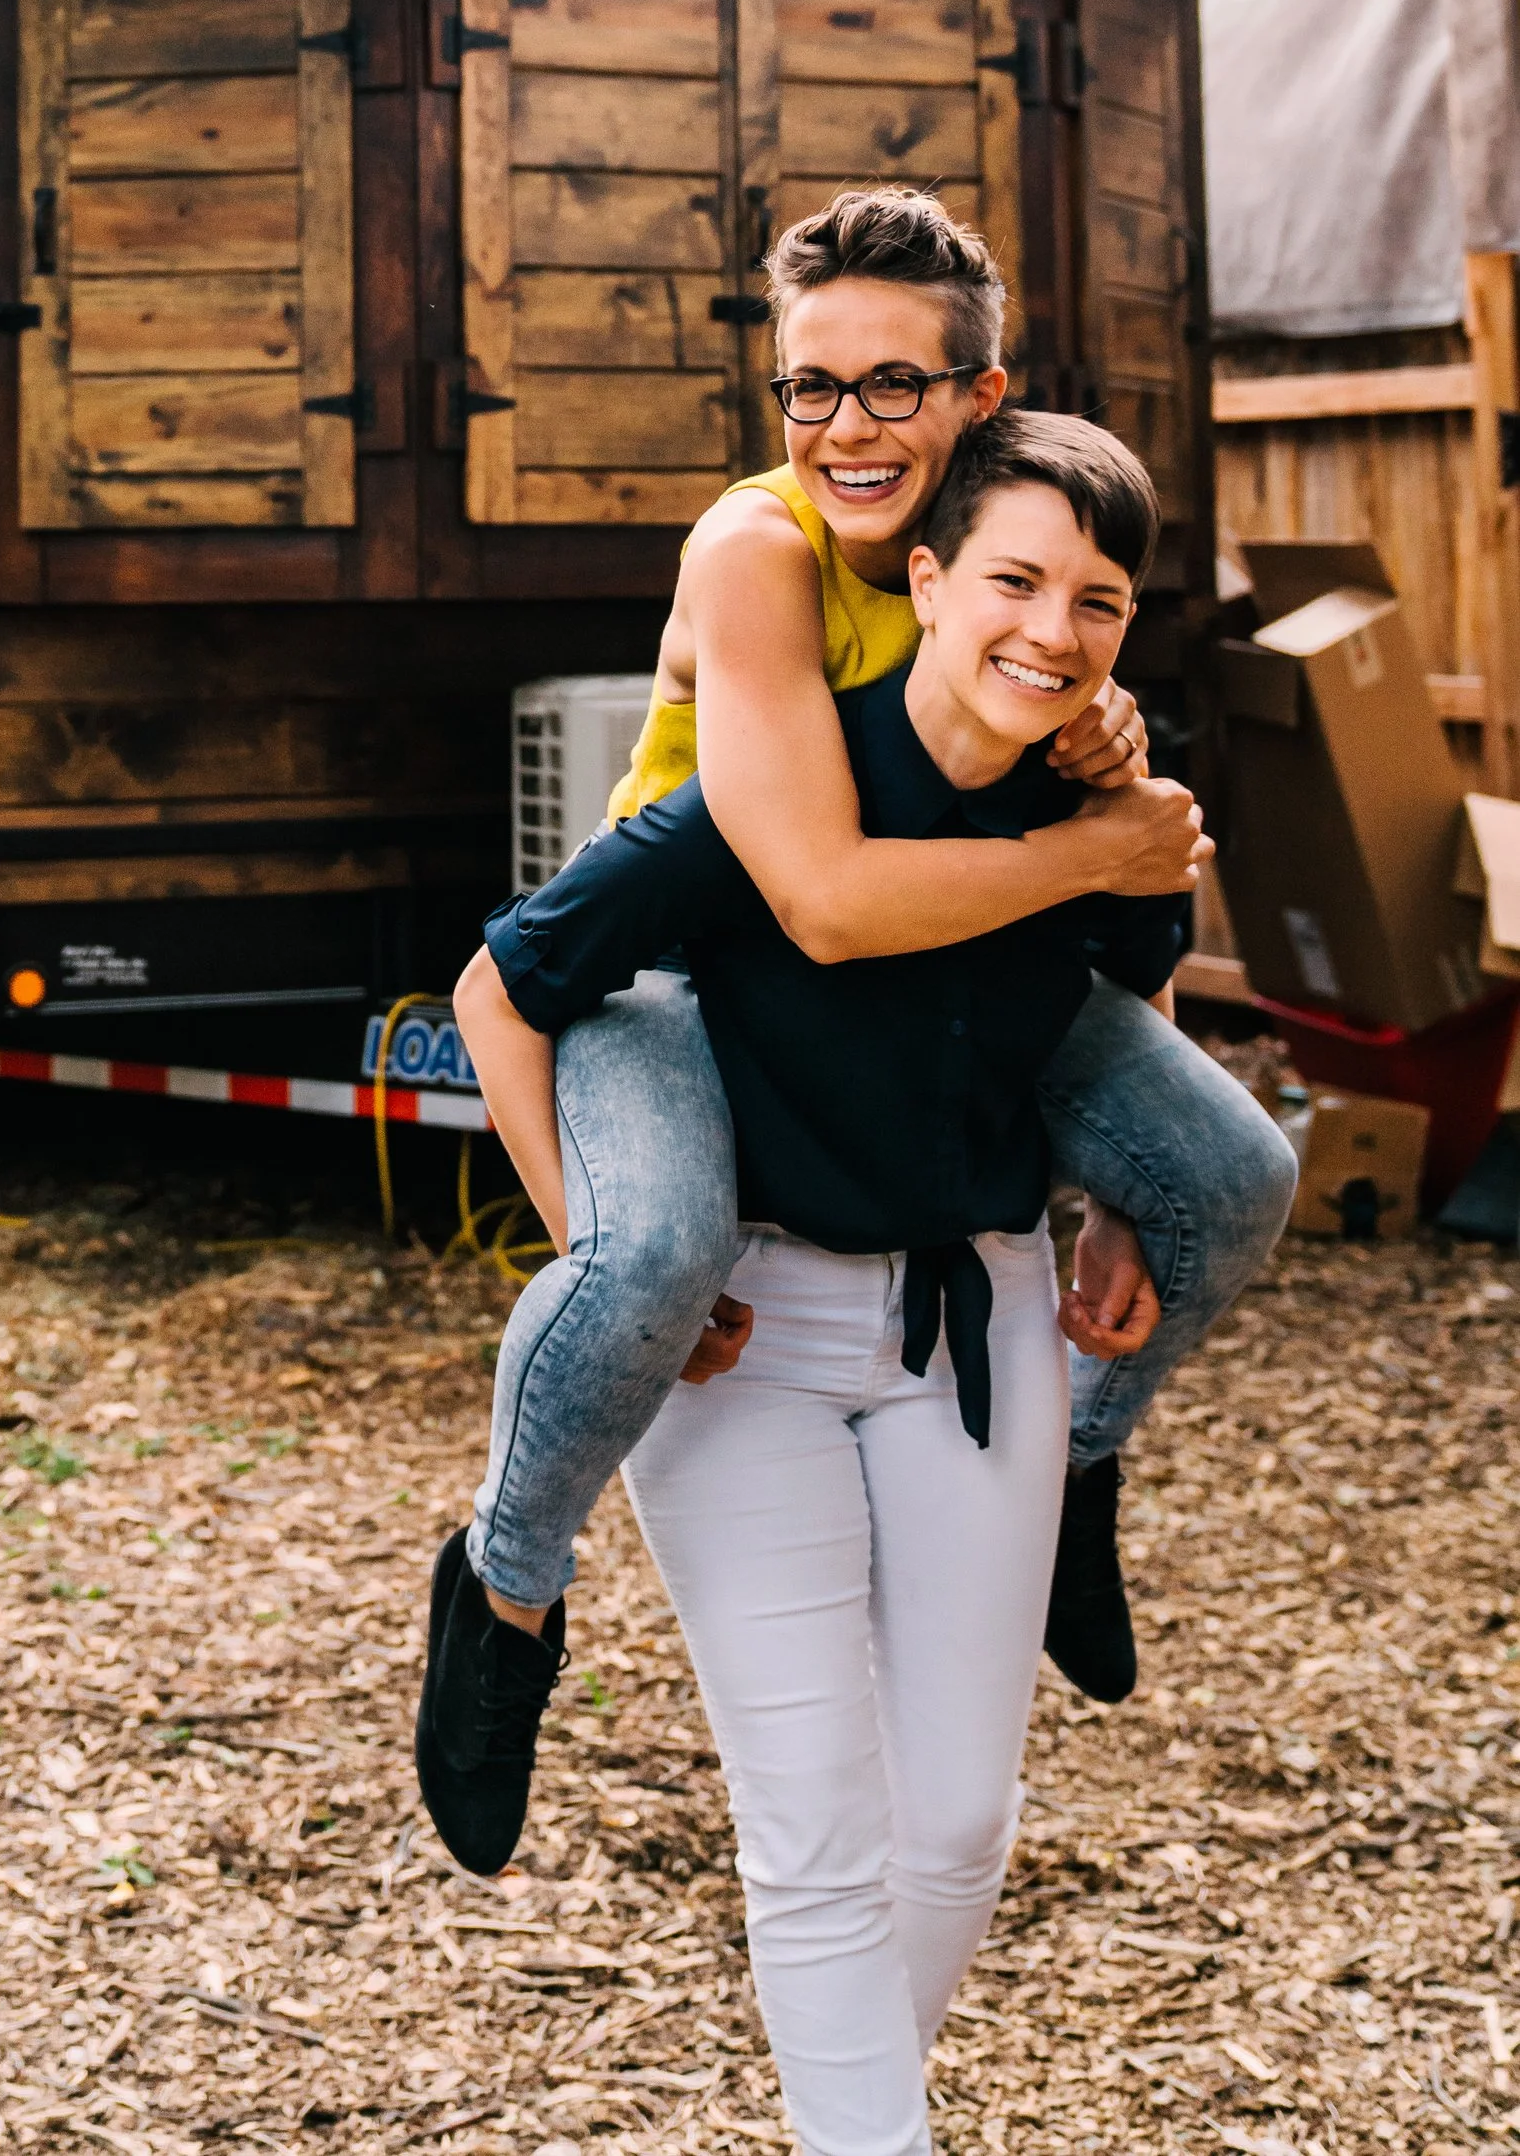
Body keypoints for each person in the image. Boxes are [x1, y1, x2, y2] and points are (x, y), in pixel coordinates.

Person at [416, 186, 1296, 1872]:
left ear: (982, 397)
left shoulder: (1022, 585)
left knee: (1227, 1175)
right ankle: (505, 1596)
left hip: (947, 956)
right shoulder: (761, 551)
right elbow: (812, 893)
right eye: (812, 385)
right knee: (662, 1252)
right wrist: (588, 1234)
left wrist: (1113, 1183)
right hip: (687, 958)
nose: (847, 424)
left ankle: (1074, 1489)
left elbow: (1124, 916)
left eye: (896, 383)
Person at [444, 417, 1193, 2156]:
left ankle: (849, 2111)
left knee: (954, 1830)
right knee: (816, 1835)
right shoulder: (779, 803)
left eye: (1098, 601)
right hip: (750, 1350)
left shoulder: (1105, 810)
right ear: (924, 584)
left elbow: (1138, 1009)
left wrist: (1126, 1215)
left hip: (980, 1322)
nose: (1053, 630)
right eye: (1012, 579)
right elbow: (506, 991)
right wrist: (609, 1252)